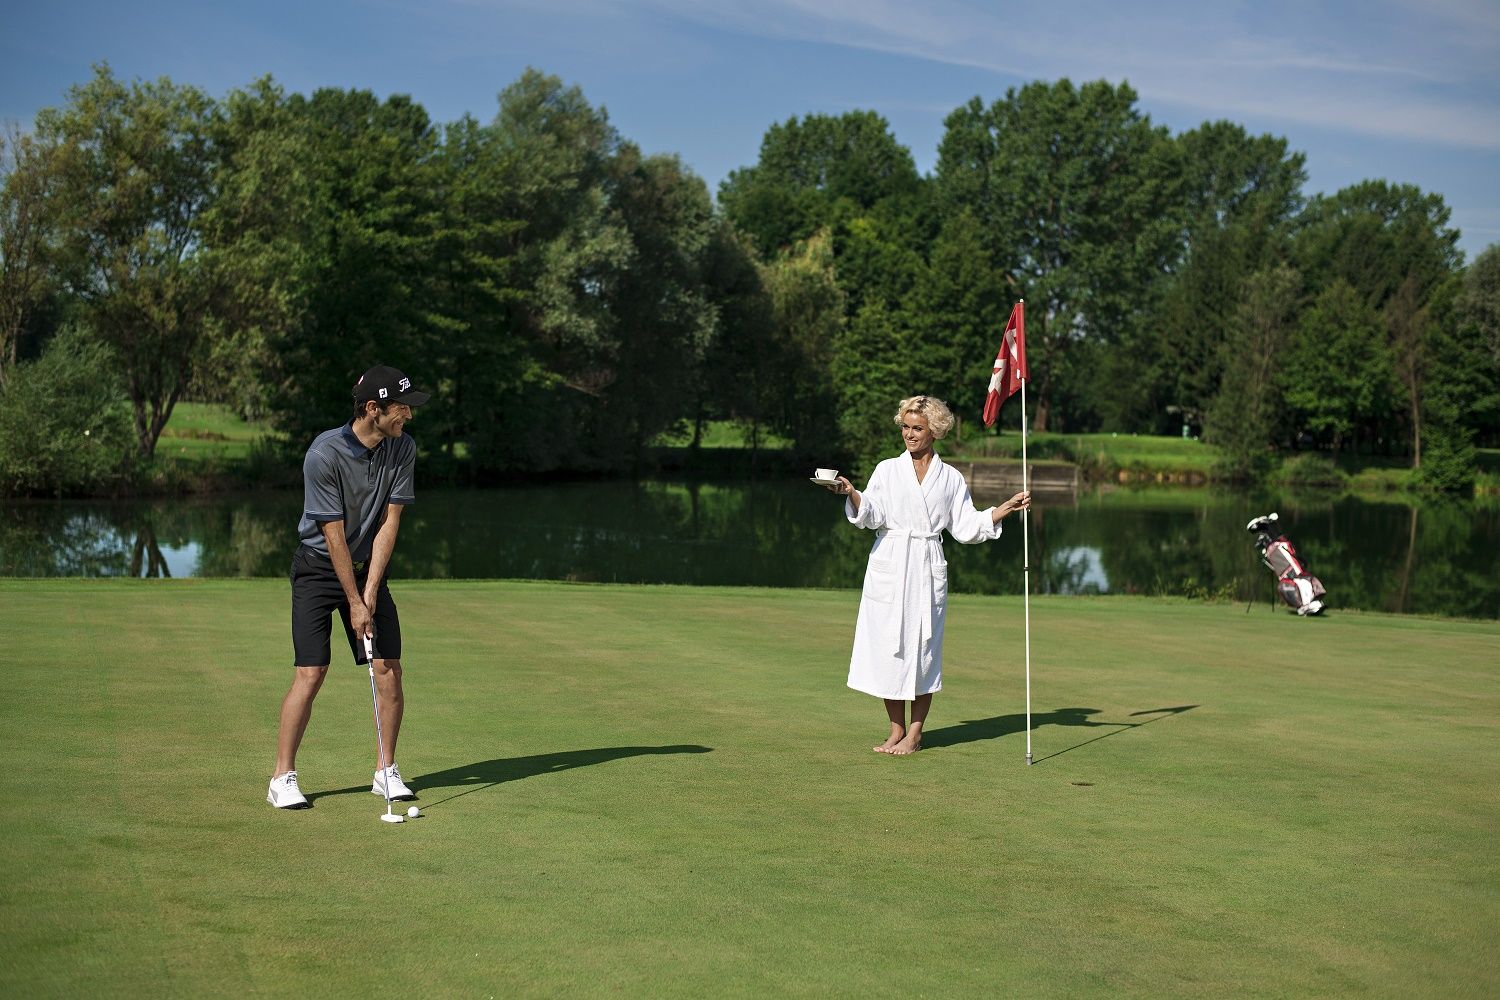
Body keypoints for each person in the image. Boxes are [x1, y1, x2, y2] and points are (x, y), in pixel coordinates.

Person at [267, 365, 430, 809]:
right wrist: (354, 602)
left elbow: (389, 521)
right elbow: (333, 533)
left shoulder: (402, 448)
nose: (408, 418)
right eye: (401, 409)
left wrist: (370, 590)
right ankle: (282, 777)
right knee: (311, 672)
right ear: (373, 409)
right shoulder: (324, 454)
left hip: (366, 570)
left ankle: (386, 770)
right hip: (318, 568)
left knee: (388, 668)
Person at [828, 395, 1029, 755]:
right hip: (890, 562)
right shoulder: (888, 469)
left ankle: (916, 734)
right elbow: (871, 514)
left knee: (923, 650)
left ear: (934, 431)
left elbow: (966, 527)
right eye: (905, 427)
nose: (909, 434)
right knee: (889, 647)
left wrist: (1003, 509)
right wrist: (852, 493)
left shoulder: (949, 478)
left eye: (917, 428)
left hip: (926, 565)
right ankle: (895, 730)